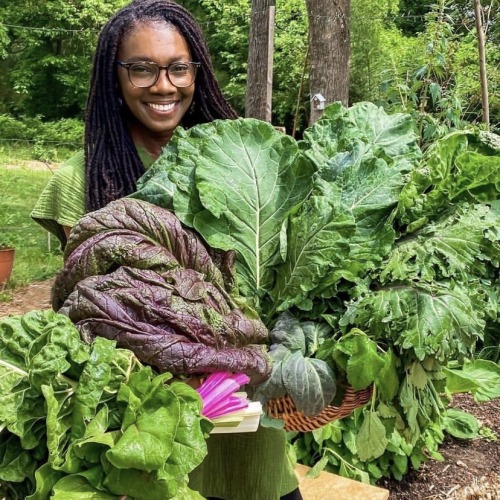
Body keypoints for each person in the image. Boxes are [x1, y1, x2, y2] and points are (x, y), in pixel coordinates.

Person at [31, 1, 302, 499]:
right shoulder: (81, 179)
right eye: (142, 69)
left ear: (196, 71)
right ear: (114, 76)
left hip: (248, 431)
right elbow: (86, 316)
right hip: (150, 433)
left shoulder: (241, 167)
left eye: (179, 67)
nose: (164, 85)